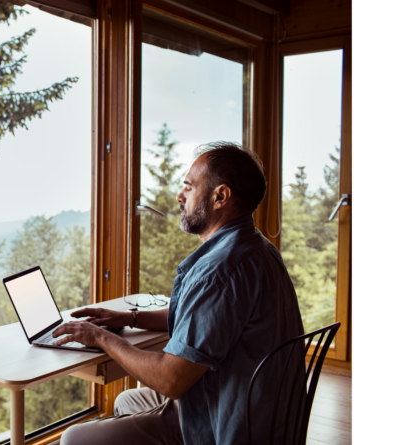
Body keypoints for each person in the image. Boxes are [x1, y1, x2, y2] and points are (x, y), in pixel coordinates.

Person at [54, 142, 304, 445]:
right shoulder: (258, 249)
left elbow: (170, 380)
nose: (179, 196)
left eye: (188, 186)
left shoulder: (220, 270)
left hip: (225, 426)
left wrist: (101, 338)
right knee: (125, 401)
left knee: (72, 439)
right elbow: (201, 318)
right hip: (265, 413)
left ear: (220, 196)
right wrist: (128, 317)